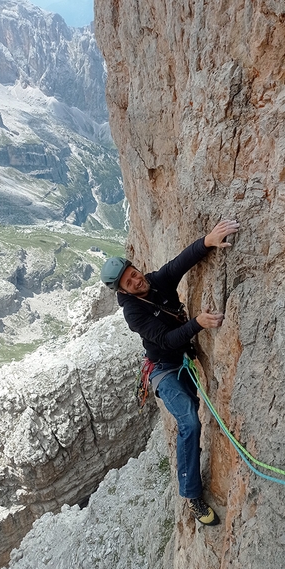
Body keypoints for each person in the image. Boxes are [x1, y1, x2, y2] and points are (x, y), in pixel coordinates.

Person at [100, 219, 239, 526]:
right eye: (128, 282)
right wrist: (198, 324)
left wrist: (208, 240)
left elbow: (179, 264)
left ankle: (190, 475)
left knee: (194, 416)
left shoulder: (153, 281)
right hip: (164, 370)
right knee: (189, 419)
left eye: (133, 273)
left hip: (183, 360)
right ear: (123, 291)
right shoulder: (134, 314)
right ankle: (192, 496)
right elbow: (165, 340)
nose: (136, 280)